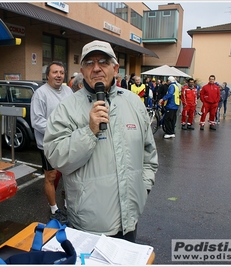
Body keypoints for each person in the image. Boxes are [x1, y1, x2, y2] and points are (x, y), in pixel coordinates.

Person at [43, 40, 158, 242]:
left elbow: (149, 153)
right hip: (89, 224)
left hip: (130, 218)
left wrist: (143, 188)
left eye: (103, 62)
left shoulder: (133, 103)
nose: (96, 68)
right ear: (82, 70)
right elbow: (56, 157)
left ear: (115, 68)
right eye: (90, 63)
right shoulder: (66, 108)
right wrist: (89, 131)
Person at [30, 61, 73, 224]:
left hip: (68, 141)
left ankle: (69, 206)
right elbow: (37, 121)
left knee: (69, 174)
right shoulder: (40, 94)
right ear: (47, 75)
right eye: (55, 72)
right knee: (51, 175)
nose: (59, 75)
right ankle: (54, 209)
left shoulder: (68, 91)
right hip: (49, 143)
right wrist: (59, 130)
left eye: (61, 72)